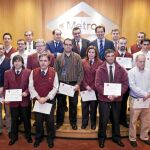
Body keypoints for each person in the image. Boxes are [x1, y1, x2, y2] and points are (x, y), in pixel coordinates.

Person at [95, 49, 128, 148]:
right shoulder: (100, 69)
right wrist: (107, 95)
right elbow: (98, 84)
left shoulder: (121, 69)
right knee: (103, 119)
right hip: (104, 99)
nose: (110, 57)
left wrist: (117, 94)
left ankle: (116, 137)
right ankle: (101, 138)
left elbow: (125, 84)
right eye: (108, 56)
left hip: (117, 99)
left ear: (115, 56)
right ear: (105, 57)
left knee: (116, 118)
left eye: (112, 55)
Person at [29, 53, 59, 148]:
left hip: (49, 101)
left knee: (50, 121)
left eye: (45, 60)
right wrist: (38, 98)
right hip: (38, 101)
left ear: (49, 62)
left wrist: (46, 98)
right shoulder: (33, 72)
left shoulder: (54, 73)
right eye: (41, 60)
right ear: (39, 61)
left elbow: (55, 87)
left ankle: (50, 138)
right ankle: (38, 138)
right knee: (38, 121)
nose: (43, 63)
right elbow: (31, 87)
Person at [54, 38, 83, 130]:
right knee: (61, 105)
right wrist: (57, 86)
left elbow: (81, 72)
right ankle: (59, 122)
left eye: (70, 45)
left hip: (73, 84)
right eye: (66, 44)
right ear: (63, 45)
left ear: (72, 46)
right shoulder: (58, 57)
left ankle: (73, 122)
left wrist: (78, 84)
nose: (68, 46)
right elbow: (55, 72)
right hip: (62, 84)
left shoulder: (77, 57)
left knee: (73, 105)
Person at [4, 55, 32, 145]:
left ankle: (28, 136)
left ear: (22, 62)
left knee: (26, 120)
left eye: (19, 61)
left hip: (24, 101)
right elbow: (6, 87)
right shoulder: (7, 73)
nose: (17, 63)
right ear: (13, 63)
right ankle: (13, 137)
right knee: (14, 120)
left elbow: (31, 86)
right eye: (15, 61)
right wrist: (6, 97)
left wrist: (27, 92)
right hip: (13, 102)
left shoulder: (28, 72)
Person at [128, 54, 150, 147]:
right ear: (136, 62)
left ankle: (144, 136)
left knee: (146, 120)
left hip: (147, 100)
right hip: (136, 99)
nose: (142, 63)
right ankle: (132, 138)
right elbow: (132, 86)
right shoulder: (131, 72)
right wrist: (145, 94)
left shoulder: (149, 71)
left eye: (144, 61)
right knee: (133, 121)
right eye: (140, 61)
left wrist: (148, 93)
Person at [80, 45, 102, 130]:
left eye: (93, 52)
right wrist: (86, 86)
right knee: (84, 107)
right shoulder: (82, 62)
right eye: (89, 52)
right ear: (87, 53)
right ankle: (84, 123)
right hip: (84, 88)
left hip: (94, 89)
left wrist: (92, 87)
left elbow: (99, 77)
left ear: (95, 53)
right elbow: (81, 75)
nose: (91, 54)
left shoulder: (100, 62)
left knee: (93, 108)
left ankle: (93, 123)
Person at [115, 37, 132, 128]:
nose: (122, 45)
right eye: (121, 43)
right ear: (118, 43)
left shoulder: (130, 56)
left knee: (124, 102)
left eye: (124, 43)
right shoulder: (114, 55)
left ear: (126, 44)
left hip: (126, 84)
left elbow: (132, 70)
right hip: (115, 84)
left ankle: (123, 120)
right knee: (115, 103)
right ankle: (114, 120)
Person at [0, 43, 11, 136]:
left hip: (7, 89)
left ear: (4, 50)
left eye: (1, 49)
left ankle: (9, 129)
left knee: (8, 111)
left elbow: (11, 75)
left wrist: (3, 87)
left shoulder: (9, 60)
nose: (0, 50)